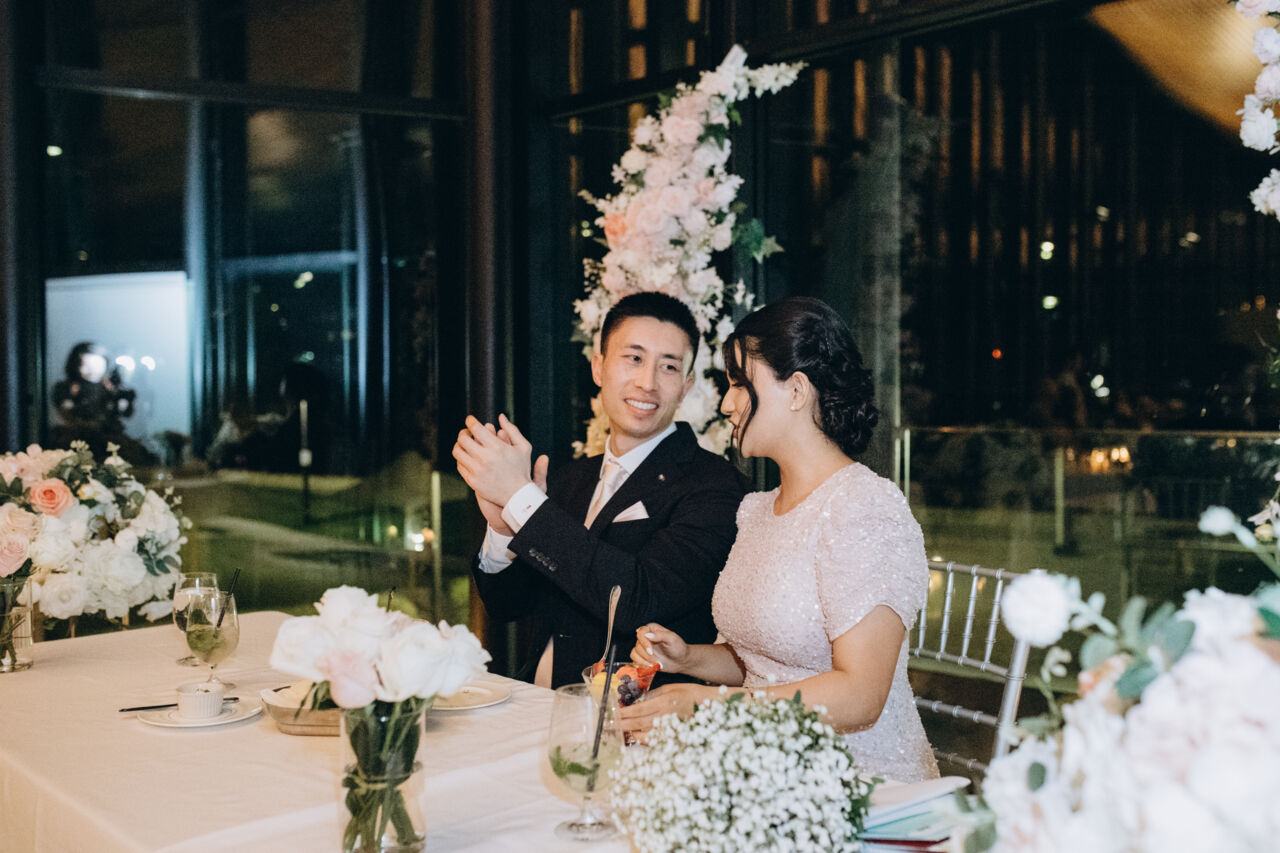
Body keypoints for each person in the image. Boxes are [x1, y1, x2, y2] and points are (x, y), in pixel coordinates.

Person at [619, 296, 939, 783]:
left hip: (858, 782)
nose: (726, 404)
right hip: (764, 768)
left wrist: (709, 707)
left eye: (739, 384)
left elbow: (861, 696)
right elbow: (763, 659)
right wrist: (688, 657)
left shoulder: (863, 507)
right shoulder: (757, 510)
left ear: (796, 391)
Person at [453, 291, 744, 689]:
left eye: (669, 367)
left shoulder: (716, 486)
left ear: (686, 386)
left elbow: (638, 600)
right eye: (634, 358)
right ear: (598, 367)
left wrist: (521, 499)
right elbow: (510, 606)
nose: (647, 382)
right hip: (540, 704)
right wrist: (503, 527)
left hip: (633, 714)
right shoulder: (571, 478)